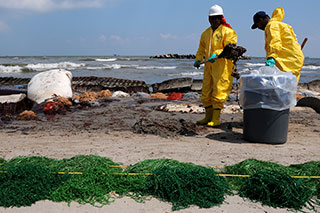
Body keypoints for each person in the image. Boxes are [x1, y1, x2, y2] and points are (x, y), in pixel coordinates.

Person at [194, 5, 237, 127]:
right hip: (209, 66)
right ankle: (207, 117)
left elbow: (230, 47)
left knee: (219, 90)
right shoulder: (205, 33)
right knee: (206, 90)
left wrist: (216, 53)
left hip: (222, 66)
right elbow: (201, 48)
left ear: (221, 18)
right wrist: (198, 59)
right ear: (209, 19)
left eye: (217, 18)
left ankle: (216, 119)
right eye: (212, 18)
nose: (214, 20)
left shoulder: (228, 32)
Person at [251, 8, 304, 83]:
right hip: (295, 59)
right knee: (291, 85)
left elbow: (275, 40)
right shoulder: (283, 25)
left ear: (260, 20)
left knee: (283, 85)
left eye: (258, 25)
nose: (259, 28)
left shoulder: (271, 25)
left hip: (287, 60)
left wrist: (271, 57)